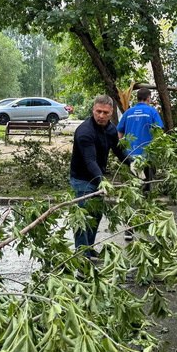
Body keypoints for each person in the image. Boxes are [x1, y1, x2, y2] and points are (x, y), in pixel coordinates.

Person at [70, 95, 134, 259]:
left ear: (111, 112)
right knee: (82, 219)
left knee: (95, 216)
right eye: (98, 111)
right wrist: (101, 181)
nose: (101, 116)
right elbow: (90, 160)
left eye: (105, 112)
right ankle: (81, 256)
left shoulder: (111, 129)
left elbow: (119, 150)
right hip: (82, 179)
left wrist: (132, 163)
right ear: (93, 110)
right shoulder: (85, 131)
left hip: (97, 179)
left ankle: (89, 249)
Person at [117, 87, 164, 240]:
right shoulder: (151, 112)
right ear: (148, 99)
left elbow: (119, 133)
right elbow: (159, 132)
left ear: (137, 98)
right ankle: (147, 223)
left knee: (131, 192)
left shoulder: (128, 113)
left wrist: (124, 149)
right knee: (147, 190)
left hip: (130, 158)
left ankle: (129, 229)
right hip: (147, 158)